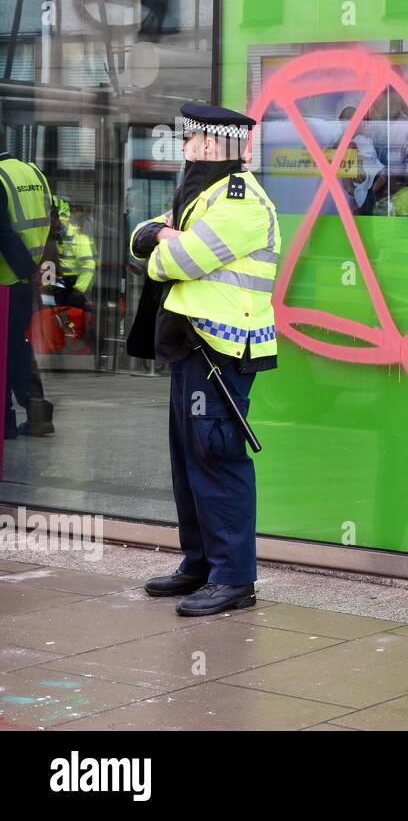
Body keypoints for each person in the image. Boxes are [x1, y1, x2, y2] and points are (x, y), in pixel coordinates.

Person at [129, 103, 280, 616]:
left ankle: (234, 579)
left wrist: (165, 242)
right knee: (188, 462)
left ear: (213, 146)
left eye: (192, 141)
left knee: (217, 459)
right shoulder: (202, 196)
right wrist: (161, 236)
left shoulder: (240, 202)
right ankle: (199, 566)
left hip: (220, 349)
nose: (186, 149)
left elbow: (175, 260)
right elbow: (141, 237)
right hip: (191, 347)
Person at [0, 147, 56, 439]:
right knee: (19, 350)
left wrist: (26, 269)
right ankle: (36, 412)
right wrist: (36, 271)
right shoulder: (33, 172)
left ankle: (6, 423)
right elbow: (50, 222)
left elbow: (4, 233)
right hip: (25, 280)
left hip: (6, 281)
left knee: (6, 353)